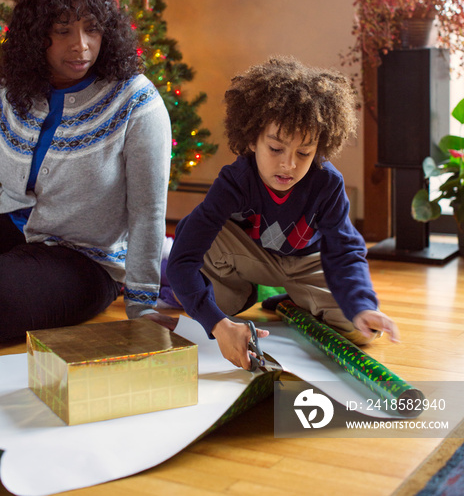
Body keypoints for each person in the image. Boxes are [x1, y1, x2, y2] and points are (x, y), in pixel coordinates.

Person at [167, 56, 399, 370]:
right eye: (276, 149)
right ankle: (251, 290)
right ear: (252, 138)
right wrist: (218, 325)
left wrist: (362, 305)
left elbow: (344, 250)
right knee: (208, 307)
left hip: (305, 262)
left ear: (320, 147)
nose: (288, 165)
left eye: (304, 153)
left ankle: (289, 298)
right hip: (250, 259)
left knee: (358, 330)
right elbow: (185, 255)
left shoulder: (327, 183)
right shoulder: (235, 181)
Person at [0, 0, 171, 342]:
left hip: (87, 260)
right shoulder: (12, 93)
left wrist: (142, 305)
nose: (81, 46)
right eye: (63, 31)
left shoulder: (136, 102)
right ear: (35, 35)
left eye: (91, 28)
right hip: (14, 232)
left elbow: (148, 211)